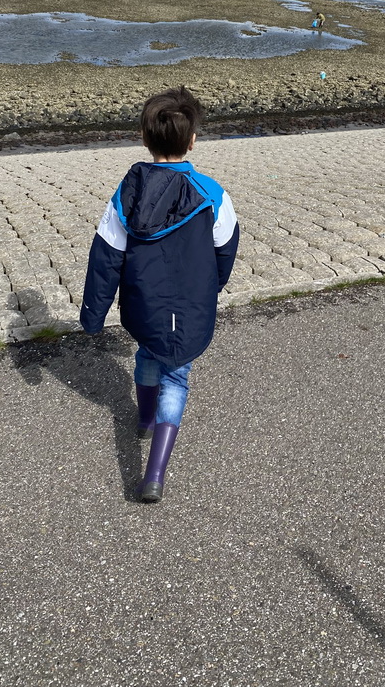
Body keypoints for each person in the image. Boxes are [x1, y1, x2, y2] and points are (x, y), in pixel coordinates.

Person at [80, 86, 239, 502]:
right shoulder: (213, 195)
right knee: (177, 376)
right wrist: (212, 288)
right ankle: (154, 472)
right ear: (192, 141)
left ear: (145, 138)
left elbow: (106, 257)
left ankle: (144, 419)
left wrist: (93, 314)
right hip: (190, 305)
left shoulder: (127, 194)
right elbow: (226, 251)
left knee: (149, 354)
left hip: (145, 304)